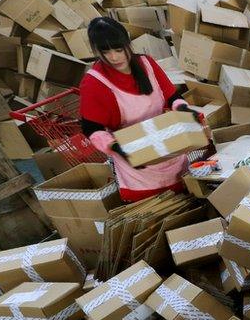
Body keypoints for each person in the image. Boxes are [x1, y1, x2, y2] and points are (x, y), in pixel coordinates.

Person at [80, 17, 195, 202]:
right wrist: (117, 147)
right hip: (136, 163)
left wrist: (184, 110)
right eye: (106, 52)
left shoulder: (147, 65)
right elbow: (91, 128)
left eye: (119, 49)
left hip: (170, 151)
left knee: (191, 201)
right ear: (96, 51)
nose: (114, 57)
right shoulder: (95, 83)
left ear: (128, 43)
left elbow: (173, 97)